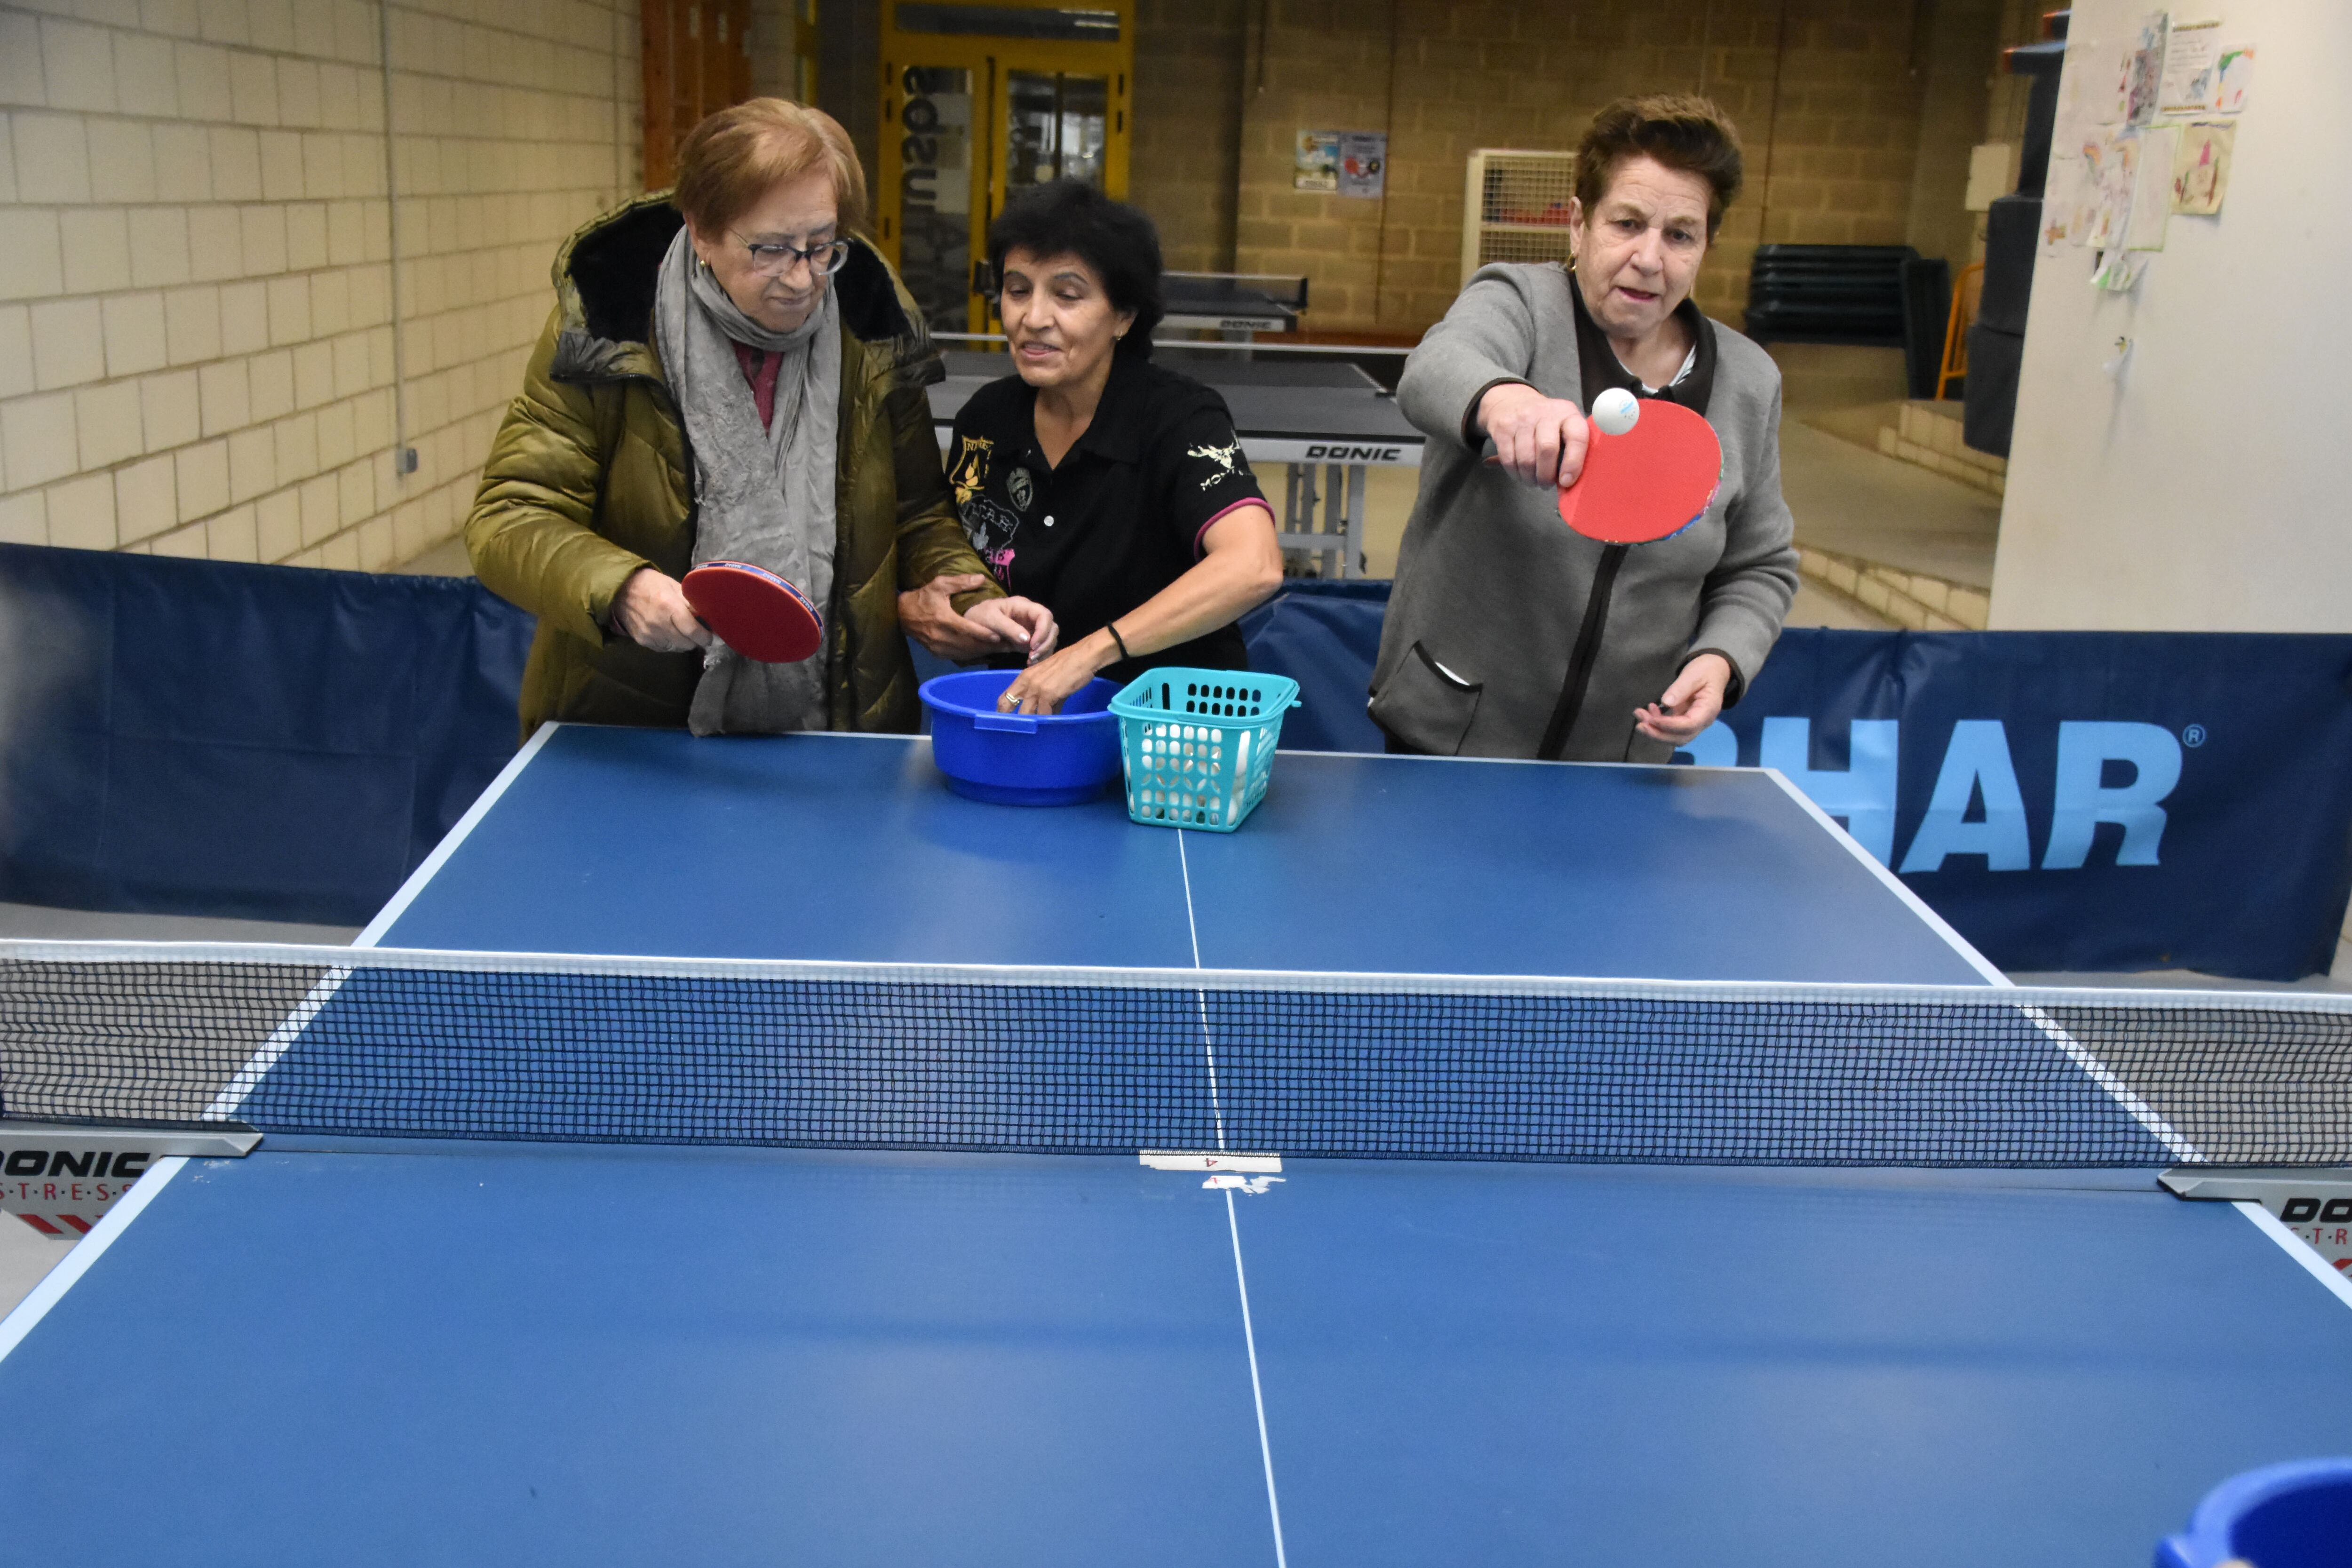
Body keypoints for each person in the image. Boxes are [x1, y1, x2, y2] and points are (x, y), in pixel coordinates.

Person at [466, 98, 1052, 739]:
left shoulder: (873, 331)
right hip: (632, 729)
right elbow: (511, 513)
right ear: (701, 231)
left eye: (822, 247)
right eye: (771, 249)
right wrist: (622, 588)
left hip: (834, 722)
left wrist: (966, 599)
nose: (802, 278)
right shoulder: (607, 330)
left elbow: (915, 513)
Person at [1369, 95, 1799, 762]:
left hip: (1618, 761)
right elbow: (1433, 369)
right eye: (1627, 223)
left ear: (1705, 247)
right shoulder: (1520, 304)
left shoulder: (1749, 381)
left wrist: (1722, 659)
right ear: (1579, 225)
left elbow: (1759, 566)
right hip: (1449, 740)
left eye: (1680, 234)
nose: (1649, 258)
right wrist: (1508, 402)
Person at [938, 181, 1285, 716]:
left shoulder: (1181, 418)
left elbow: (1254, 565)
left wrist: (1092, 652)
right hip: (1035, 722)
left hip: (1174, 732)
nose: (1033, 318)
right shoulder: (983, 422)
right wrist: (971, 610)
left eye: (1067, 295)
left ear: (1123, 316)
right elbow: (959, 559)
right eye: (1016, 289)